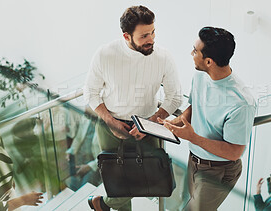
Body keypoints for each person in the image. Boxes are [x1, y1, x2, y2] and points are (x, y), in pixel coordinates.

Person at [83, 5, 182, 211]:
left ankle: (102, 204)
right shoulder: (104, 54)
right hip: (110, 126)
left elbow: (174, 97)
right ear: (126, 36)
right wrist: (110, 121)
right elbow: (91, 93)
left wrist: (152, 122)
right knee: (116, 179)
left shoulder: (163, 57)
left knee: (148, 178)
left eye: (153, 32)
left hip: (148, 125)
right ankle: (112, 204)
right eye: (145, 35)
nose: (152, 39)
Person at [161, 27, 256, 210]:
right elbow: (194, 105)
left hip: (218, 171)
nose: (191, 53)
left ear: (209, 61)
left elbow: (234, 152)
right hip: (194, 159)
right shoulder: (200, 76)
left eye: (195, 51)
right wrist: (177, 120)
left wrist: (193, 137)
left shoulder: (241, 102)